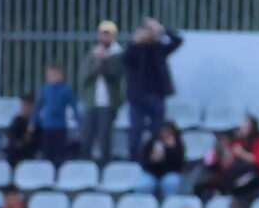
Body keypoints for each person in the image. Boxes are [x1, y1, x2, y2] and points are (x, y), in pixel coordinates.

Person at [120, 18, 182, 162]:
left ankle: (154, 161)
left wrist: (162, 29)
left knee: (157, 131)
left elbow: (178, 41)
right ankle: (134, 161)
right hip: (137, 98)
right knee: (136, 132)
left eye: (150, 31)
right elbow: (125, 60)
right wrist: (135, 42)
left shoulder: (159, 48)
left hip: (156, 96)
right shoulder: (134, 48)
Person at [78, 22, 126, 164]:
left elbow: (115, 74)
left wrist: (105, 61)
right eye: (102, 33)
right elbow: (85, 76)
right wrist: (98, 61)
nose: (104, 37)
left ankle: (105, 167)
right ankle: (85, 166)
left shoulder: (118, 55)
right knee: (86, 137)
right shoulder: (92, 54)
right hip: (92, 102)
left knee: (104, 137)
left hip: (108, 104)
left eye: (108, 34)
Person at [32, 64, 76, 164]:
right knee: (47, 153)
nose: (51, 76)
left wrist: (80, 122)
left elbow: (74, 107)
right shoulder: (45, 89)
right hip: (47, 126)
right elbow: (38, 107)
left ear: (61, 74)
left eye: (54, 74)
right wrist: (33, 122)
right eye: (49, 74)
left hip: (60, 126)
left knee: (59, 153)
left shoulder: (66, 89)